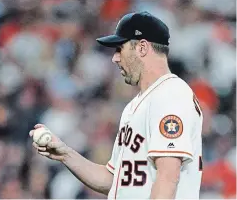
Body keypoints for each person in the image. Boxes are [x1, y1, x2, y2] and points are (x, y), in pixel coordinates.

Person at [29, 11, 203, 199]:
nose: (115, 58)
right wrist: (65, 154)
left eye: (120, 48)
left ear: (142, 48)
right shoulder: (137, 104)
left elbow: (168, 177)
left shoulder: (170, 94)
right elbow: (114, 181)